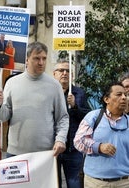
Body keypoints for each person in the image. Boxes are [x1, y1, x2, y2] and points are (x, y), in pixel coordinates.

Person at [0, 41, 69, 158]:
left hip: (45, 154)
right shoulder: (12, 83)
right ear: (27, 59)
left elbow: (62, 118)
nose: (41, 63)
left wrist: (60, 139)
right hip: (15, 153)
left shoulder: (54, 86)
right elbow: (4, 116)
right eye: (37, 58)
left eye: (44, 58)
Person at [74, 82, 129, 188]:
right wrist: (98, 147)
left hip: (125, 182)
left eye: (125, 95)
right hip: (96, 182)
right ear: (106, 99)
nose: (123, 98)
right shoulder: (93, 117)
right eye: (118, 94)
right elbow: (78, 140)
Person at [53, 60, 91, 188]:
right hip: (52, 148)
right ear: (54, 74)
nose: (64, 73)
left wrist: (75, 106)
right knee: (53, 183)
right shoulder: (49, 92)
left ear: (72, 75)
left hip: (73, 149)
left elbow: (87, 118)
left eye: (68, 71)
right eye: (61, 70)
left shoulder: (79, 93)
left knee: (75, 183)